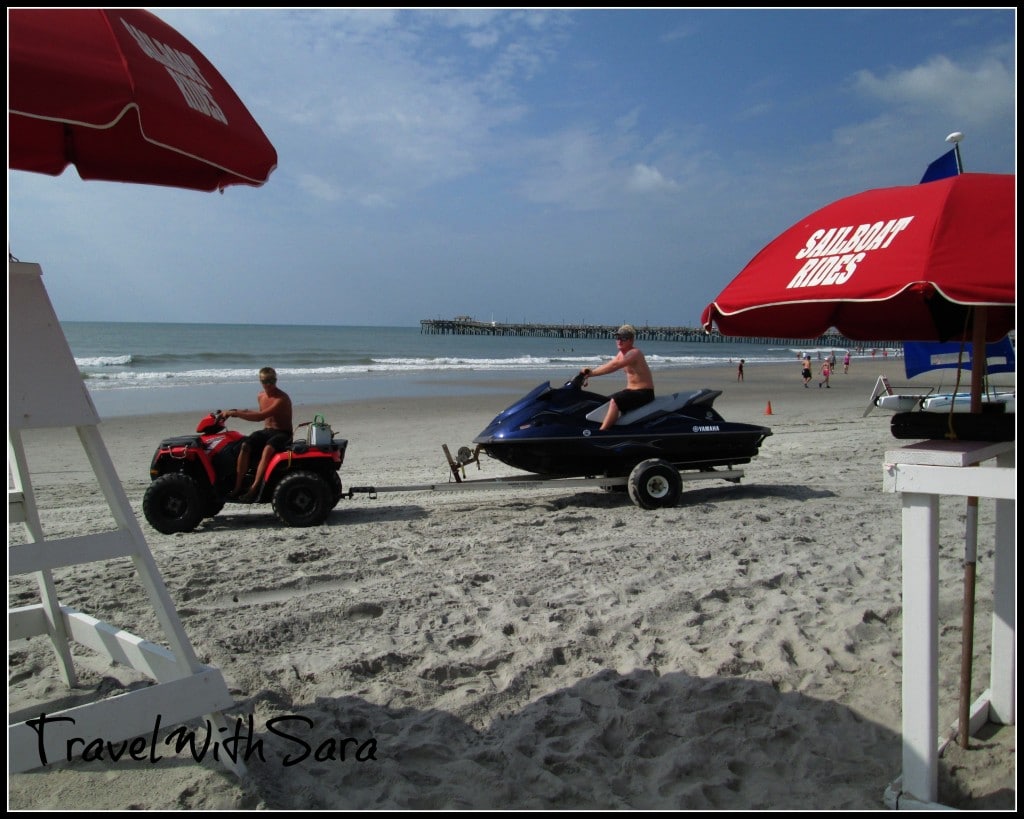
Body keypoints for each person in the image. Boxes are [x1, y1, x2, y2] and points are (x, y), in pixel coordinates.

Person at [224, 367, 293, 501]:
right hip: (267, 431)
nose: (269, 384)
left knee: (268, 449)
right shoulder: (260, 396)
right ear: (260, 381)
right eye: (265, 381)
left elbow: (260, 416)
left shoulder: (281, 398)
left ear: (276, 380)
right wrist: (234, 411)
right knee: (245, 445)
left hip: (283, 433)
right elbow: (256, 413)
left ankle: (253, 489)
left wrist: (236, 414)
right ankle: (238, 487)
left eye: (272, 381)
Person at [580, 325, 654, 431]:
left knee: (616, 400)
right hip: (631, 391)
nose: (619, 341)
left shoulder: (634, 353)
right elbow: (610, 364)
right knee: (603, 401)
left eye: (624, 338)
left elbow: (614, 366)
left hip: (644, 393)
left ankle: (602, 432)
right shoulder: (621, 354)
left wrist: (592, 373)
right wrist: (590, 373)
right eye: (618, 337)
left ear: (631, 340)